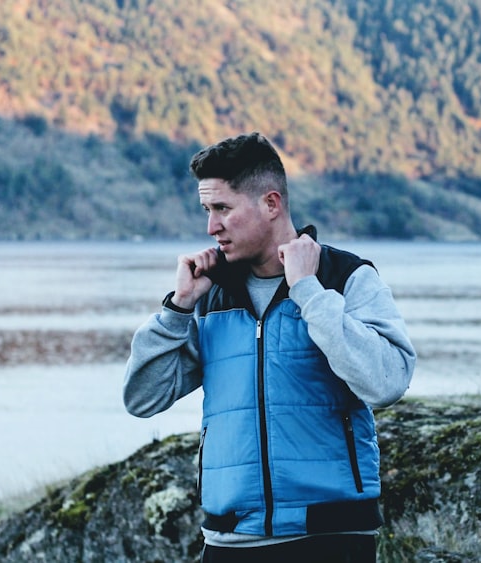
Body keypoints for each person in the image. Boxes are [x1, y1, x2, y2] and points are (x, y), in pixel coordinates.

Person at [123, 132, 416, 562]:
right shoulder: (209, 297)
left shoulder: (345, 277)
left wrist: (310, 293)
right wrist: (178, 307)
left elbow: (388, 380)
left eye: (222, 208)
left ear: (271, 204)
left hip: (330, 538)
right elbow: (142, 398)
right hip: (229, 541)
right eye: (207, 210)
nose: (211, 227)